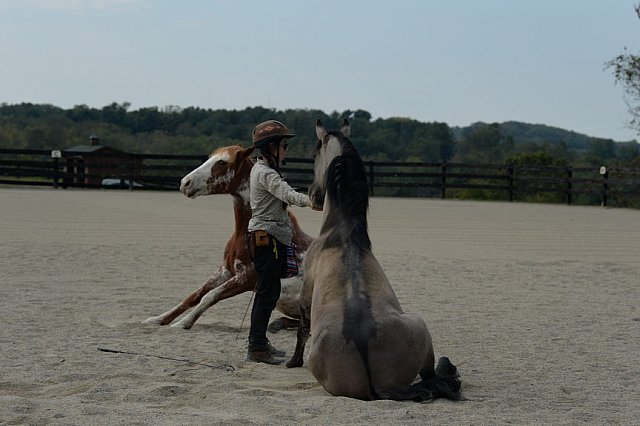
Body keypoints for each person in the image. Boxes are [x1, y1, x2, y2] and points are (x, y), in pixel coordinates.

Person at [246, 120, 314, 365]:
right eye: (283, 145)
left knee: (268, 292)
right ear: (271, 147)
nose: (286, 149)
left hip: (269, 237)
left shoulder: (263, 169)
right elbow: (285, 192)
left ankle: (260, 344)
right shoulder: (265, 173)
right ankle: (256, 347)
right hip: (266, 239)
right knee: (267, 293)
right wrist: (311, 202)